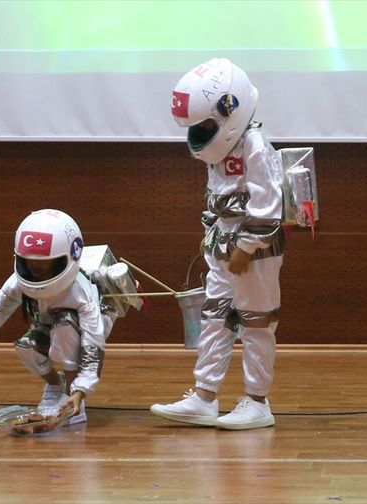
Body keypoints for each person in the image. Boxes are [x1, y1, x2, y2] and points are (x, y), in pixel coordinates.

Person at [150, 58, 284, 430]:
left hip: (253, 252)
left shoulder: (254, 145)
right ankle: (204, 396)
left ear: (230, 109)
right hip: (222, 246)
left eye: (206, 125)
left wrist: (246, 248)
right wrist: (213, 236)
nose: (201, 133)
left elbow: (269, 206)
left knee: (256, 322)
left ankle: (258, 401)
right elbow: (217, 196)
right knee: (215, 318)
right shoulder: (222, 150)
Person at [0, 209, 117, 425]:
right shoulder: (19, 281)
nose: (35, 265)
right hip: (52, 328)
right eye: (28, 259)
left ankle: (75, 403)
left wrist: (82, 390)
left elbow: (93, 345)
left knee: (64, 325)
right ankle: (55, 387)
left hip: (85, 330)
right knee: (26, 347)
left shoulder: (80, 292)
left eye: (44, 260)